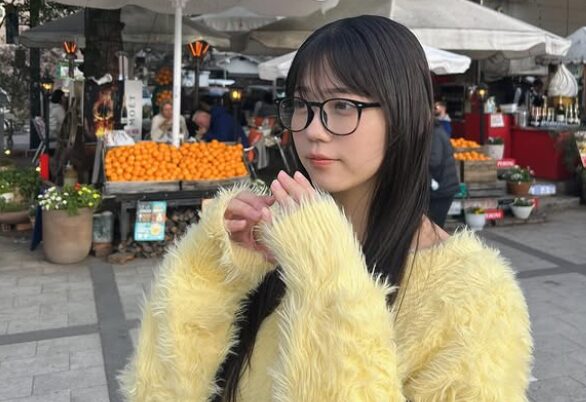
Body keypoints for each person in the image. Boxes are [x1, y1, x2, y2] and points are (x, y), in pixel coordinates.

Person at [119, 15, 532, 402]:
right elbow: (160, 390)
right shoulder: (274, 248)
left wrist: (329, 282)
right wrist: (215, 271)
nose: (313, 129)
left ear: (404, 113)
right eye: (302, 105)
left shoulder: (473, 298)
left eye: (343, 106)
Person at [428, 121, 460, 227]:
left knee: (434, 225)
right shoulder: (437, 132)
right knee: (434, 225)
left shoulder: (435, 134)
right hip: (442, 187)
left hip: (441, 189)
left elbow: (434, 161)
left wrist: (417, 162)